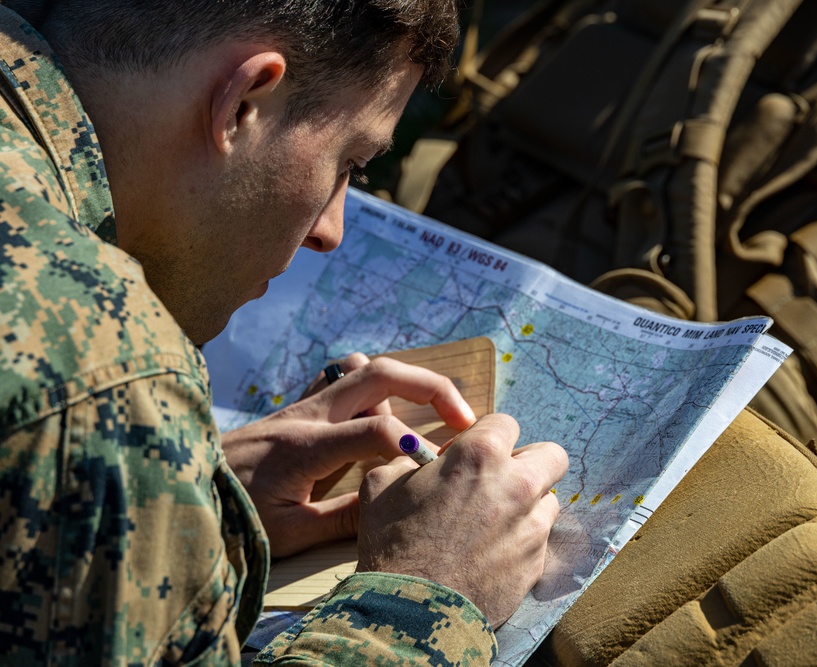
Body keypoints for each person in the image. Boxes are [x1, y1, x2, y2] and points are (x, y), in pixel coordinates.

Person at [0, 1, 568, 664]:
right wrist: (426, 594)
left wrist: (184, 495)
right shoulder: (109, 379)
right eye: (350, 163)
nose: (331, 230)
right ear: (244, 100)